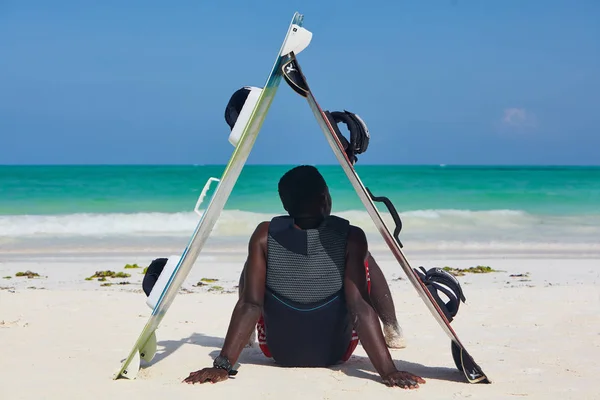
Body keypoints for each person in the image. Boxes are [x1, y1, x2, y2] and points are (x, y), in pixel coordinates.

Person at [183, 165, 425, 389]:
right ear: (325, 198)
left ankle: (246, 337)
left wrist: (222, 365)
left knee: (254, 264)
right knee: (364, 260)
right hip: (335, 353)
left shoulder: (263, 235)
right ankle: (392, 328)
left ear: (286, 206)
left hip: (279, 352)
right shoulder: (351, 237)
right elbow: (359, 306)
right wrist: (388, 371)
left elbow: (250, 303)